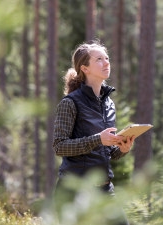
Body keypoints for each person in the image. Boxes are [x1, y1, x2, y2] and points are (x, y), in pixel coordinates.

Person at [52, 40, 134, 224]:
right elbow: (59, 146)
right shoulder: (70, 103)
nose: (106, 63)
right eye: (99, 59)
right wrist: (98, 139)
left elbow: (108, 152)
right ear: (85, 68)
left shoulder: (109, 104)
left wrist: (122, 148)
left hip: (105, 190)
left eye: (107, 58)